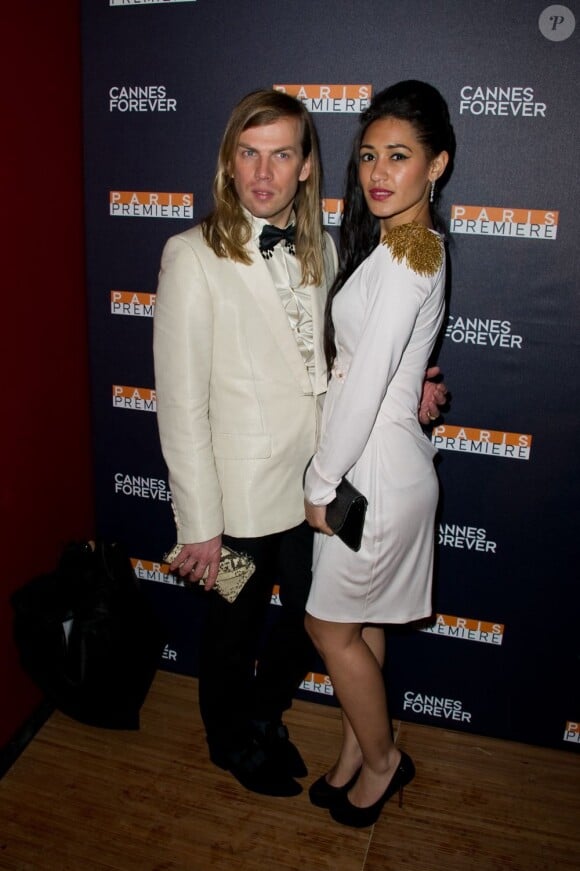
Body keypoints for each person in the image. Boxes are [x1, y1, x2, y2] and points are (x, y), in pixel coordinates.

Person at [153, 88, 447, 798]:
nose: (263, 173)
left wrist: (408, 389)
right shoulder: (189, 256)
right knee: (231, 626)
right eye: (248, 155)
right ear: (229, 164)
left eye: (281, 154)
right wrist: (198, 525)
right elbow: (180, 402)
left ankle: (265, 714)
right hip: (236, 503)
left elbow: (347, 363)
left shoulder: (327, 245)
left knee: (310, 624)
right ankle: (230, 741)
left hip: (319, 488)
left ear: (307, 165)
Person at [303, 80, 455, 827]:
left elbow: (361, 388)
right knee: (359, 630)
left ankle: (385, 759)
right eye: (368, 155)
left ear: (437, 166)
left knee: (328, 629)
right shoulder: (404, 245)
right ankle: (356, 752)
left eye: (400, 155)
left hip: (372, 476)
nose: (378, 171)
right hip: (384, 468)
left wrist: (320, 481)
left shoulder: (405, 258)